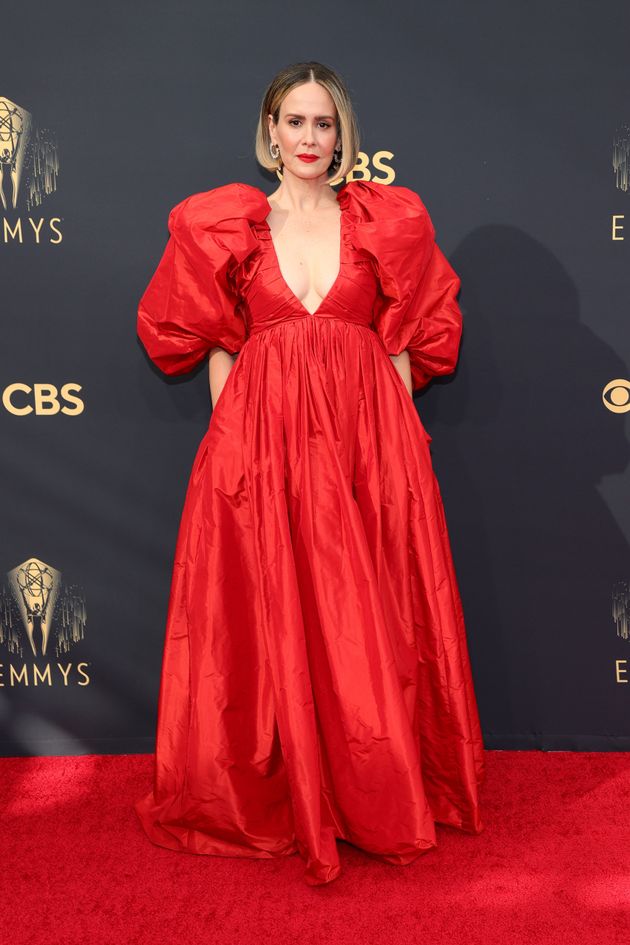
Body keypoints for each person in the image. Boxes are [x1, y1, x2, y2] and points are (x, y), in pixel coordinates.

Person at [134, 60, 486, 887]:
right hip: (266, 447)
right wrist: (232, 450)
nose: (309, 139)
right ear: (269, 132)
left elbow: (405, 342)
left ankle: (379, 791)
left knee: (373, 620)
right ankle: (288, 794)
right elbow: (219, 342)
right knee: (274, 620)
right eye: (295, 122)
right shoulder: (230, 225)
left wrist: (402, 455)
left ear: (342, 136)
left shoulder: (386, 220)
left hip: (369, 451)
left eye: (324, 124)